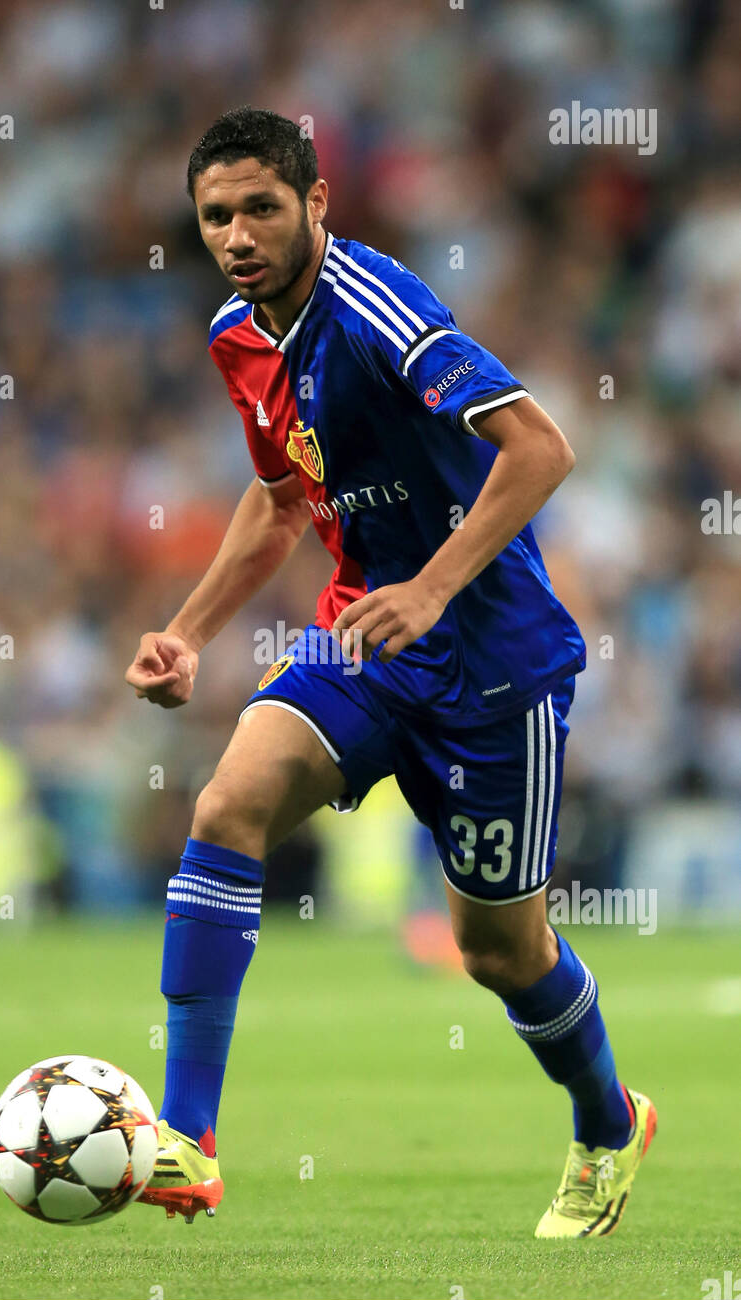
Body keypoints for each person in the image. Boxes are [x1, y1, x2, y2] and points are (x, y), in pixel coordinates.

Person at [125, 108, 656, 1237]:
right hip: (360, 643)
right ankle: (186, 1138)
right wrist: (188, 630)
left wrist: (431, 587)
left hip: (490, 666)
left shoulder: (378, 307)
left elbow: (541, 447)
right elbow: (279, 501)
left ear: (317, 203)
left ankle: (606, 1121)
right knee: (227, 803)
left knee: (496, 952)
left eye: (260, 207)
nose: (235, 234)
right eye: (214, 215)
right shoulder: (237, 332)